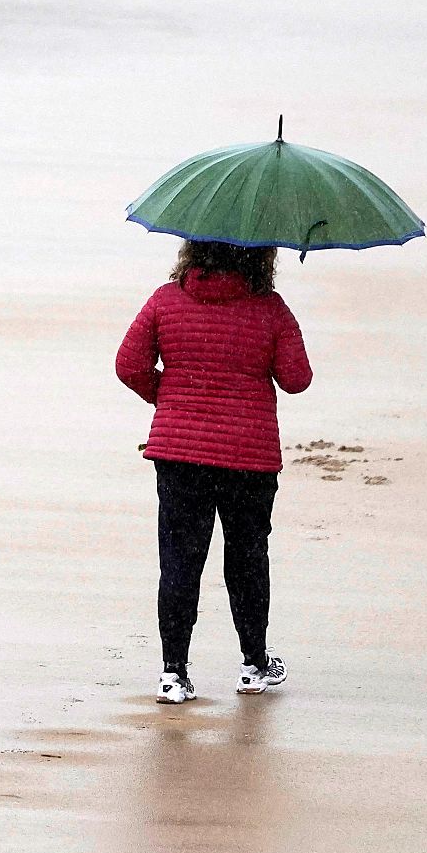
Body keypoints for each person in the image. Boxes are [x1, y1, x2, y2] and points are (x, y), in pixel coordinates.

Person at [116, 239, 312, 704]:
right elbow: (296, 378)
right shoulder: (270, 309)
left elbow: (129, 366)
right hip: (249, 456)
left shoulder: (165, 301)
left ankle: (173, 674)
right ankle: (253, 664)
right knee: (246, 559)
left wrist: (168, 396)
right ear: (261, 255)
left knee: (180, 562)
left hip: (180, 454)